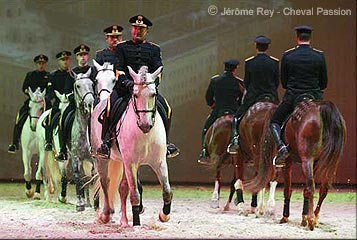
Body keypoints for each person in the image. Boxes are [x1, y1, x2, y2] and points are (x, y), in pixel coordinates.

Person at [96, 14, 180, 159]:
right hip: (124, 89)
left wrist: (150, 85)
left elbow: (159, 70)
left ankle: (166, 143)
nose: (137, 31)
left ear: (146, 30)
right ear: (131, 29)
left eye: (141, 29)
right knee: (109, 107)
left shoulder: (154, 49)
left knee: (166, 108)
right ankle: (106, 142)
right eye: (135, 28)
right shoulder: (122, 47)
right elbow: (119, 69)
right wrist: (129, 84)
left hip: (146, 90)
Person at [270, 25, 328, 167]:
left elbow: (284, 82)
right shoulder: (319, 55)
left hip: (293, 97)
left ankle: (282, 148)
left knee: (274, 122)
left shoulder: (288, 55)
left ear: (297, 37)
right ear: (310, 38)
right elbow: (324, 82)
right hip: (315, 98)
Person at [227, 36, 279, 154]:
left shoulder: (249, 62)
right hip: (271, 96)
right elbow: (276, 82)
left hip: (253, 96)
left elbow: (247, 83)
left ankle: (235, 140)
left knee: (236, 117)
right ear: (267, 47)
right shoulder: (274, 62)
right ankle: (282, 144)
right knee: (282, 118)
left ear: (256, 46)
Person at [198, 59, 244, 165]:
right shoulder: (239, 82)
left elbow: (208, 97)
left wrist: (212, 104)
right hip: (234, 111)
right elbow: (242, 100)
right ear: (235, 69)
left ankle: (204, 151)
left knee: (206, 127)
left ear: (225, 68)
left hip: (219, 110)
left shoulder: (215, 80)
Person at [55, 44, 95, 161]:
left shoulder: (93, 71)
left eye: (85, 55)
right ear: (77, 58)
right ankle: (63, 150)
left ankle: (105, 146)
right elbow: (67, 91)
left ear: (88, 56)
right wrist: (76, 99)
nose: (83, 57)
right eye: (80, 55)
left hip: (92, 104)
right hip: (75, 106)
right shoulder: (72, 73)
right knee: (63, 119)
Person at [8, 54, 51, 153]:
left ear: (45, 65)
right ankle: (15, 142)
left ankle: (50, 141)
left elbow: (51, 90)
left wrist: (45, 97)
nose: (41, 65)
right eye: (39, 63)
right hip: (32, 102)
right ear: (36, 64)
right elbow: (24, 87)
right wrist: (28, 92)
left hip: (45, 102)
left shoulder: (49, 76)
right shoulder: (30, 75)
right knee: (20, 116)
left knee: (52, 118)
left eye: (43, 63)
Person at [44, 51, 74, 153]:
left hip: (71, 103)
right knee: (49, 118)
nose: (65, 62)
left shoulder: (73, 74)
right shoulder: (53, 75)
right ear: (59, 61)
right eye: (62, 60)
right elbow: (50, 91)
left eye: (67, 59)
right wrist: (53, 96)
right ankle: (48, 141)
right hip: (59, 103)